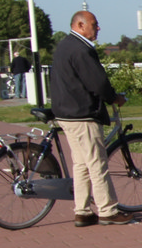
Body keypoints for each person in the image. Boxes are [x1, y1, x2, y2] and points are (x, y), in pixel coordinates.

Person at [52, 11, 133, 226]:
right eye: (94, 24)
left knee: (81, 164)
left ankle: (83, 210)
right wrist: (113, 98)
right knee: (97, 163)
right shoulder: (82, 50)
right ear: (80, 25)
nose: (98, 28)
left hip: (66, 113)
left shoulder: (64, 46)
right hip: (83, 114)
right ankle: (108, 210)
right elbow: (98, 82)